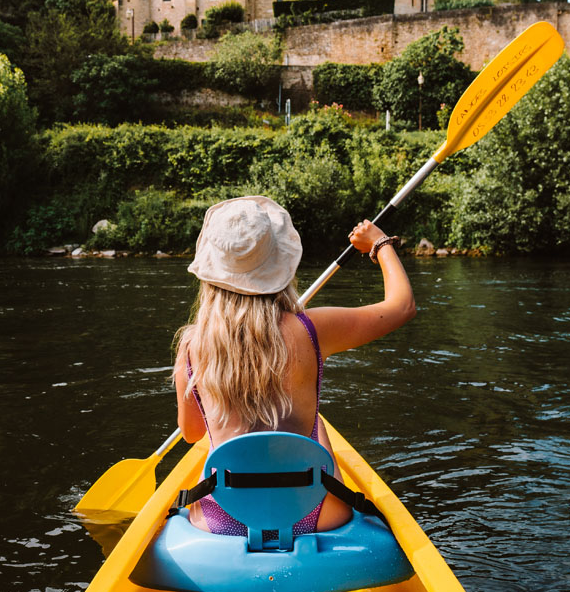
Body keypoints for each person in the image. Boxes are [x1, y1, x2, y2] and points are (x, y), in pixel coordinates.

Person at [174, 195, 415, 535]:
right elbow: (402, 306)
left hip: (223, 519)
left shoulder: (191, 345)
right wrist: (380, 243)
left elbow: (193, 433)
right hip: (316, 513)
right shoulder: (312, 329)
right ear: (282, 264)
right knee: (314, 421)